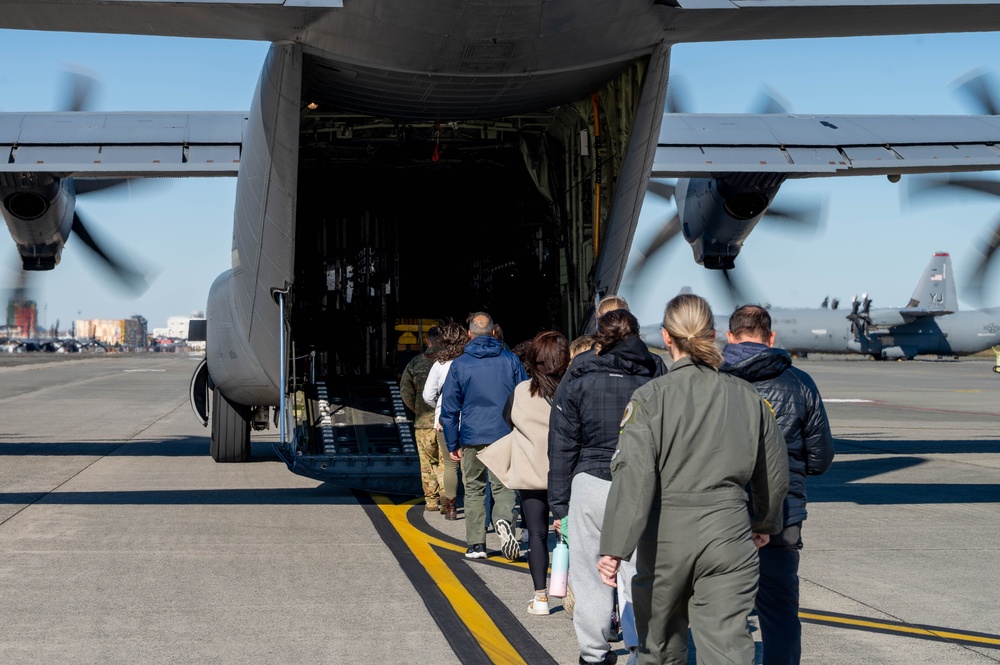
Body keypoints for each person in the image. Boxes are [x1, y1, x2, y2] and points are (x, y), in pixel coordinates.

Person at [597, 293, 789, 665]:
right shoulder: (747, 396)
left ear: (667, 337)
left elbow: (633, 477)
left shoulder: (651, 397)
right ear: (713, 335)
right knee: (728, 648)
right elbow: (774, 470)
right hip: (729, 534)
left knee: (661, 647)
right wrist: (764, 521)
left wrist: (615, 547)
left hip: (666, 535)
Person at [548, 308, 666, 665]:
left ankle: (594, 653)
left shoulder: (581, 371)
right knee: (637, 571)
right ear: (636, 334)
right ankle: (636, 650)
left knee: (588, 574)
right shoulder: (656, 371)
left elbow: (562, 441)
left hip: (590, 480)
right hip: (640, 482)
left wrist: (559, 503)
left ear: (600, 337)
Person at [720, 304, 835, 665]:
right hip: (783, 513)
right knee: (780, 610)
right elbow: (821, 458)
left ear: (729, 336)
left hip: (723, 513)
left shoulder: (715, 381)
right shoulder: (800, 382)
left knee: (721, 609)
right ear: (771, 338)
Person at [486, 330, 570, 615]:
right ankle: (573, 593)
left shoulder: (522, 391)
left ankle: (541, 598)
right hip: (567, 473)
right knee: (570, 535)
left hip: (532, 472)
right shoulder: (572, 388)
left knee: (535, 533)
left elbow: (507, 418)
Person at [440, 312, 527, 560]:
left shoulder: (460, 364)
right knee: (503, 486)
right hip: (504, 433)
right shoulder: (510, 360)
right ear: (492, 332)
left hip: (471, 434)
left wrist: (452, 442)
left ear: (469, 334)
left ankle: (476, 545)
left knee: (475, 488)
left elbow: (449, 408)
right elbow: (523, 396)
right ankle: (503, 521)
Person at [421, 322, 468, 520]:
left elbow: (427, 395)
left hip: (444, 418)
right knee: (467, 464)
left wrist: (439, 407)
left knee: (449, 464)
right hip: (468, 418)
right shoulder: (469, 361)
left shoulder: (440, 364)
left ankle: (450, 507)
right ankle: (474, 501)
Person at [399, 325, 444, 511]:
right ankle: (447, 500)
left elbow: (405, 390)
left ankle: (431, 501)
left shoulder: (416, 363)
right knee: (445, 463)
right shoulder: (451, 362)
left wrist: (417, 409)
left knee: (427, 464)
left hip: (424, 422)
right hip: (445, 422)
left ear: (427, 341)